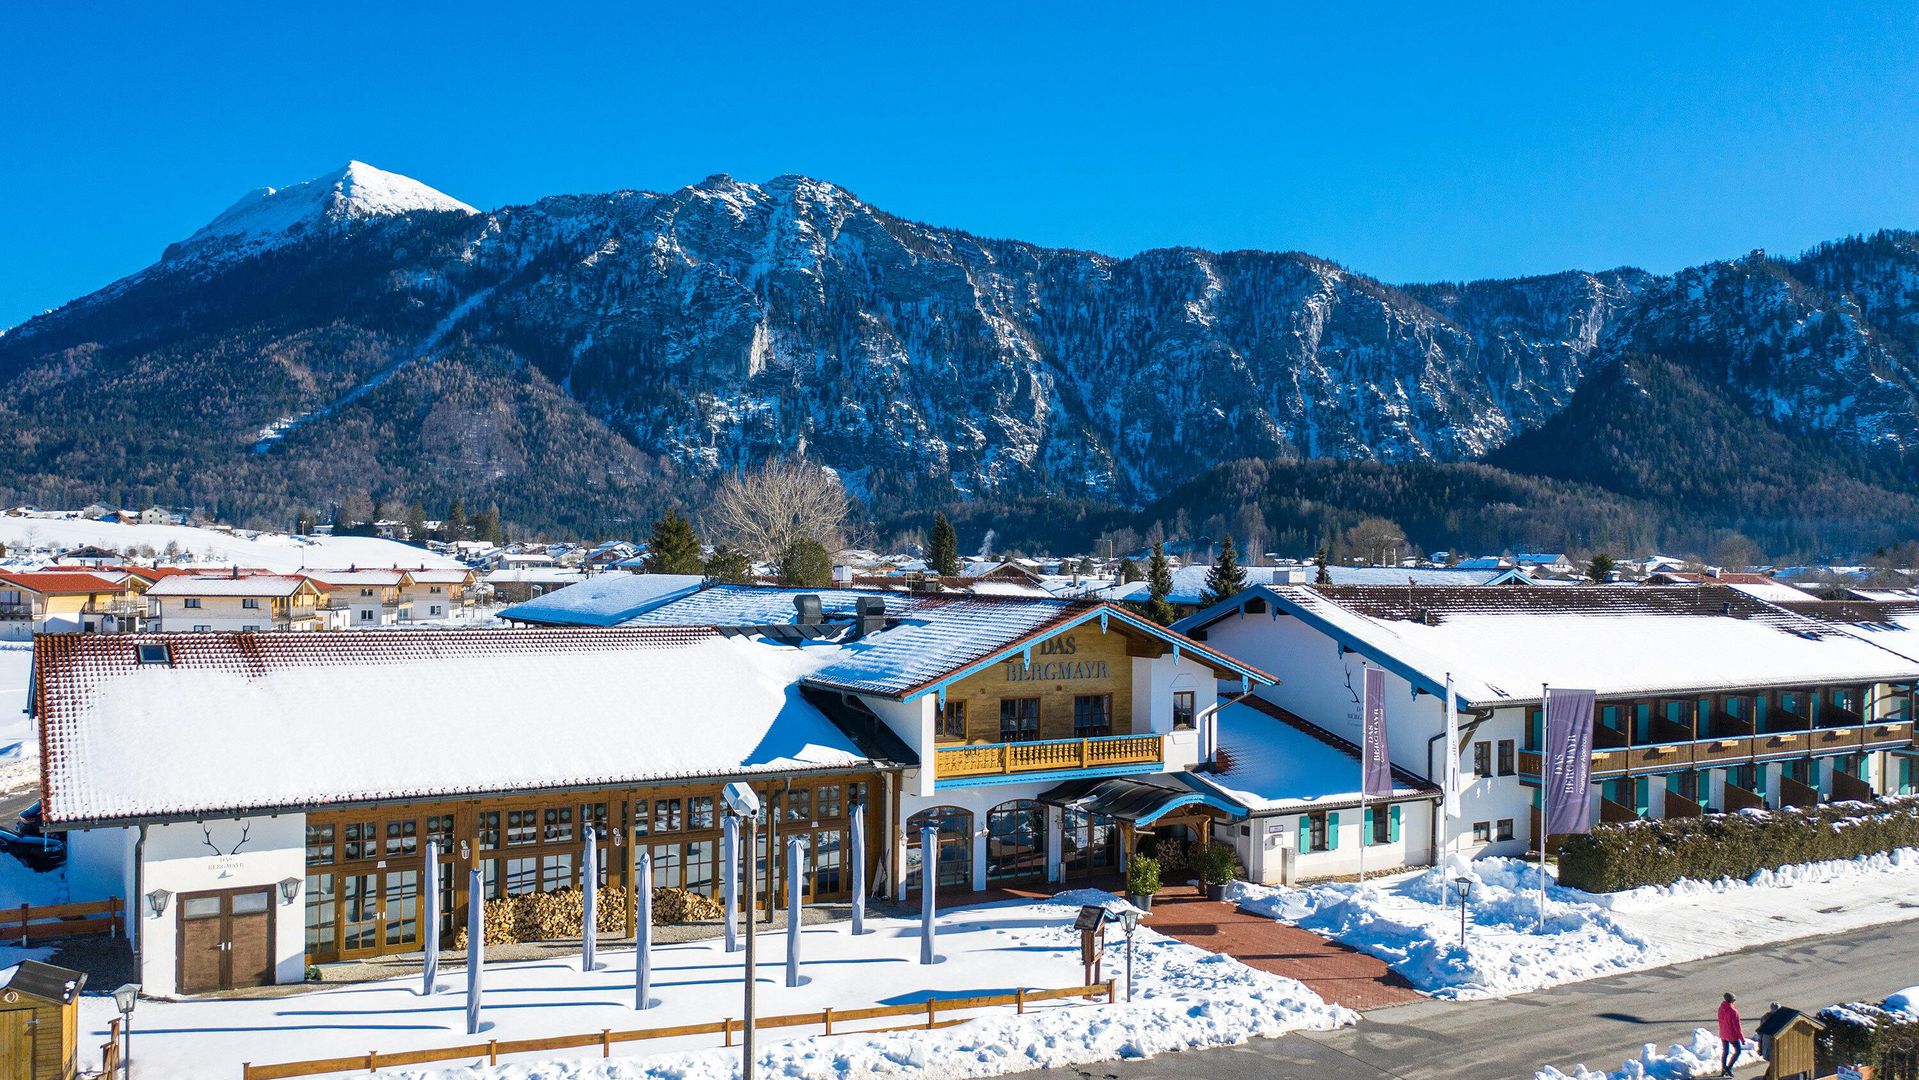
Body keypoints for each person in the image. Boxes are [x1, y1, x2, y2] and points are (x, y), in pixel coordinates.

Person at [1718, 992, 1745, 1076]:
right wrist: (1742, 1038)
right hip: (1731, 1035)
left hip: (1723, 1033)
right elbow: (1737, 1026)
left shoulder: (1721, 1008)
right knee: (1738, 1051)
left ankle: (1723, 1069)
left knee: (1725, 1052)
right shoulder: (1733, 1011)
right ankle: (1729, 1068)